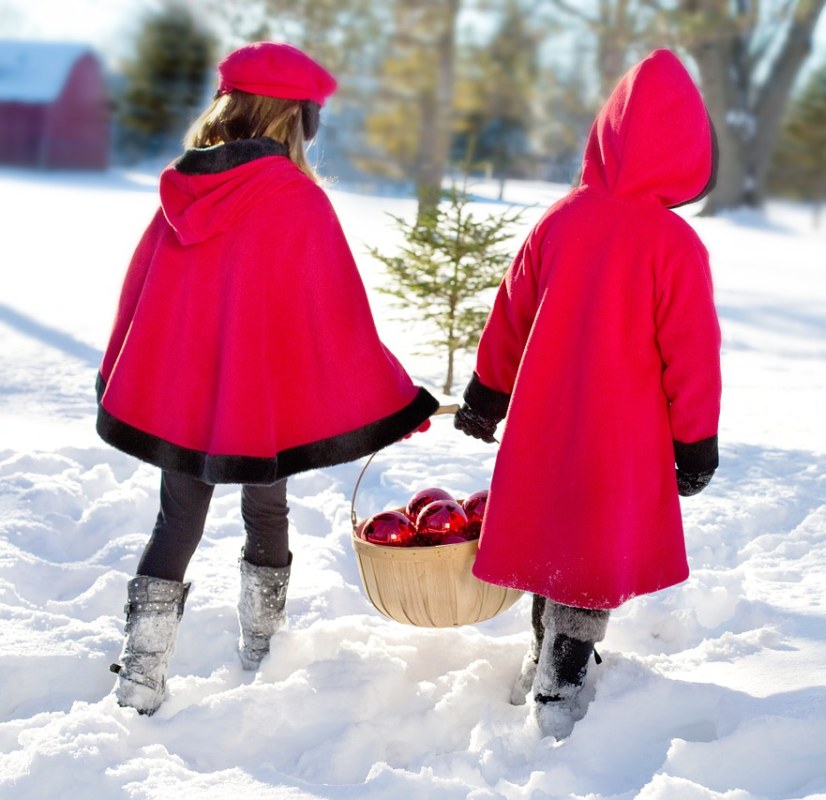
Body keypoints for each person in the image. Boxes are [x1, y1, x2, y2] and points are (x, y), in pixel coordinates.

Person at [97, 42, 439, 716]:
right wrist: (391, 398)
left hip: (188, 399)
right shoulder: (297, 200)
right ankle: (262, 648)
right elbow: (338, 319)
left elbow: (140, 297)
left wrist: (120, 371)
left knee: (177, 519)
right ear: (296, 121)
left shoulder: (182, 187)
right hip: (262, 396)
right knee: (267, 506)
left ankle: (141, 674)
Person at [453, 48, 721, 739]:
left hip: (544, 424)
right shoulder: (673, 244)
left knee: (552, 539)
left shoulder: (560, 220)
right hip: (621, 435)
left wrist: (488, 394)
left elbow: (510, 312)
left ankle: (545, 654)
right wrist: (694, 442)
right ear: (691, 151)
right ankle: (560, 684)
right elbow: (692, 357)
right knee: (590, 556)